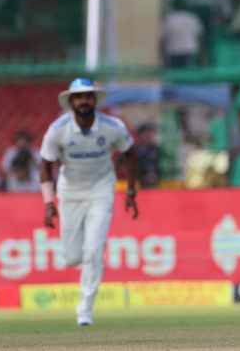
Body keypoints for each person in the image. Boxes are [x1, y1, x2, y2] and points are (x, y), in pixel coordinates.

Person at [39, 78, 139, 326]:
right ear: (71, 101)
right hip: (70, 192)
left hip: (101, 190)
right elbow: (45, 163)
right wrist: (48, 203)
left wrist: (130, 193)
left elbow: (130, 154)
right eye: (79, 97)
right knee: (73, 257)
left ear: (95, 100)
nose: (84, 101)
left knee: (94, 250)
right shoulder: (58, 129)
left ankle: (85, 310)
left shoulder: (112, 127)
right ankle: (83, 263)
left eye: (88, 96)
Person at [133, 124, 161, 188]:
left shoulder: (157, 150)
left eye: (150, 133)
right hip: (139, 184)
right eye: (146, 133)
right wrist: (143, 176)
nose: (149, 135)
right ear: (140, 135)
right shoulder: (135, 150)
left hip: (157, 183)